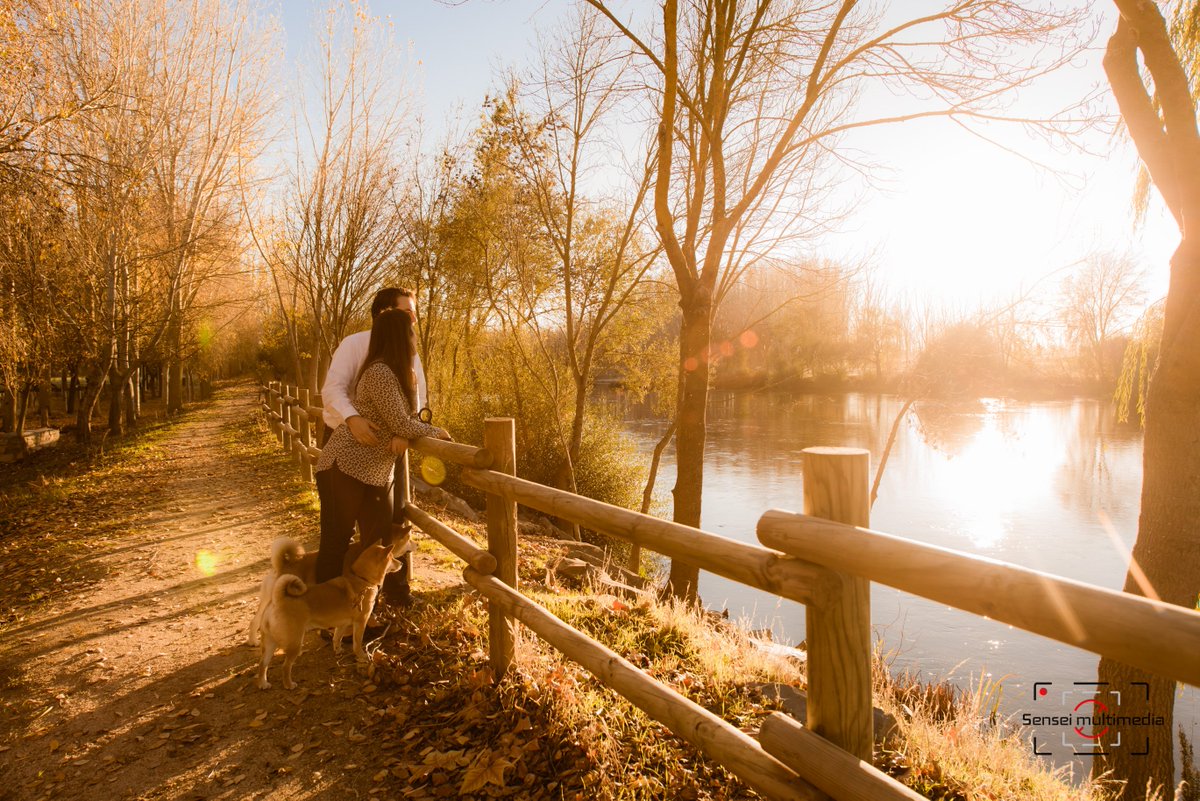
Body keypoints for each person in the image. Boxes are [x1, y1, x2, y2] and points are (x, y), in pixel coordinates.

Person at [313, 309, 449, 588]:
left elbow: (405, 421)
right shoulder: (379, 372)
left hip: (373, 470)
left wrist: (407, 435)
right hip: (345, 465)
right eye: (410, 333)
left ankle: (361, 613)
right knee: (336, 542)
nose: (414, 339)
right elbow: (400, 421)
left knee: (377, 543)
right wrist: (437, 433)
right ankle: (326, 619)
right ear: (399, 337)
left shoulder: (402, 374)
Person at [322, 287, 427, 448]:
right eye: (407, 312)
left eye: (414, 313)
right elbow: (332, 390)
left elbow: (418, 397)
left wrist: (405, 431)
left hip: (390, 447)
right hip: (346, 441)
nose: (414, 319)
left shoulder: (411, 355)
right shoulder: (353, 344)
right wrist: (352, 418)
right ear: (384, 313)